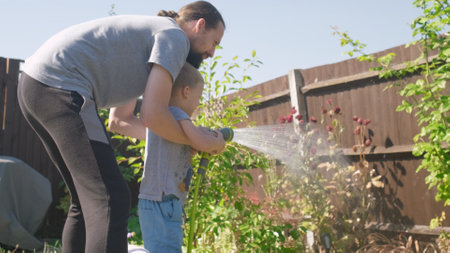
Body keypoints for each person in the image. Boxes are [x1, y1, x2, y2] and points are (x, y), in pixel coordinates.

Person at [17, 1, 226, 252]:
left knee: (86, 203)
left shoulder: (151, 41)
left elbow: (121, 121)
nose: (212, 53)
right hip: (61, 84)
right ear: (200, 25)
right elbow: (153, 115)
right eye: (214, 42)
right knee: (111, 197)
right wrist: (196, 138)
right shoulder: (174, 36)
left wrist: (179, 140)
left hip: (36, 84)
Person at [125, 63, 218, 253]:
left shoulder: (168, 121)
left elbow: (187, 147)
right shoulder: (176, 114)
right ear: (186, 91)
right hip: (162, 202)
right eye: (198, 97)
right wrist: (218, 141)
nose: (198, 104)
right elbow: (202, 143)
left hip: (161, 201)